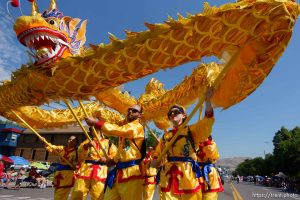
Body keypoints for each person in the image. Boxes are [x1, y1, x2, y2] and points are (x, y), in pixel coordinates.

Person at [151, 88, 215, 200]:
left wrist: (208, 100)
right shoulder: (166, 136)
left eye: (176, 112)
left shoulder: (192, 130)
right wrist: (155, 160)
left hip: (188, 176)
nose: (172, 114)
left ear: (184, 115)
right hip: (168, 178)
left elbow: (207, 123)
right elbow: (158, 153)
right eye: (170, 113)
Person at [85, 104, 145, 200]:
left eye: (134, 111)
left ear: (140, 115)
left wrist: (97, 123)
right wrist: (113, 160)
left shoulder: (137, 127)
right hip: (118, 173)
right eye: (129, 110)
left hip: (131, 174)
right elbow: (121, 150)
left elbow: (117, 130)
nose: (130, 112)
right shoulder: (124, 130)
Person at [71, 128, 117, 200]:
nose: (95, 130)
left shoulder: (108, 142)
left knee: (98, 195)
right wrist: (86, 146)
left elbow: (115, 155)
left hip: (100, 171)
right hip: (85, 170)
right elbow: (80, 155)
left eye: (96, 128)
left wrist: (107, 159)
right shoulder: (87, 142)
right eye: (92, 129)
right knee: (78, 193)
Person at [197, 135, 224, 200]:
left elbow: (211, 152)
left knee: (210, 196)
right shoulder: (195, 145)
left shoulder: (212, 144)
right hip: (196, 173)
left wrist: (205, 141)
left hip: (209, 173)